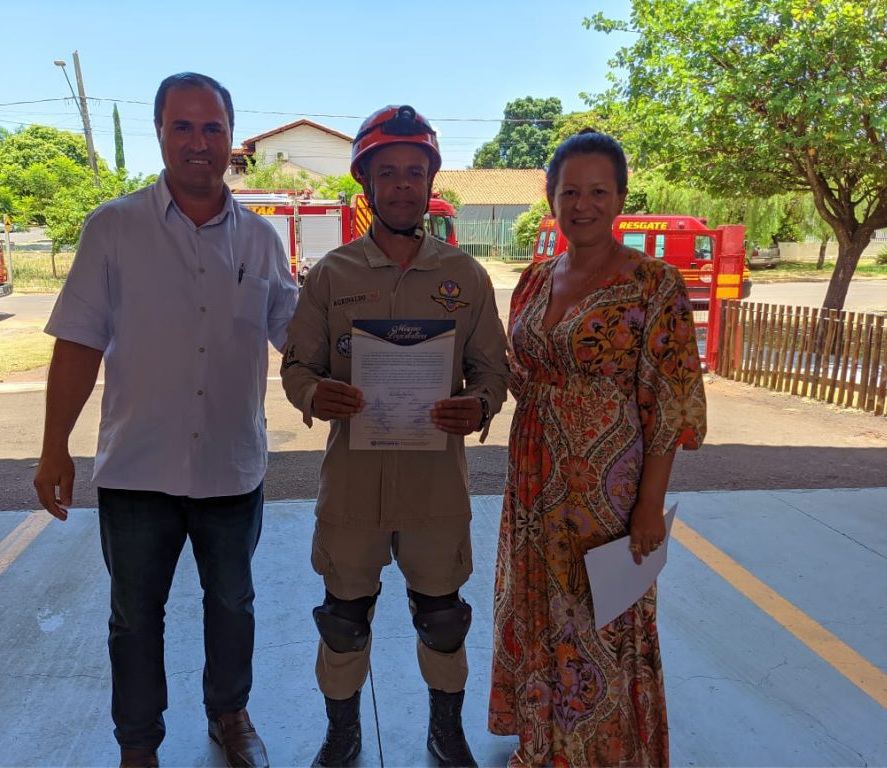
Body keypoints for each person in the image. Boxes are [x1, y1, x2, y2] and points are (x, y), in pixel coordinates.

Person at [33, 72, 297, 768]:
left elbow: (300, 341)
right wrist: (53, 448)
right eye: (183, 126)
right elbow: (78, 345)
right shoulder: (113, 230)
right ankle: (138, 743)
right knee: (133, 618)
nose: (198, 142)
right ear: (159, 133)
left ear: (231, 139)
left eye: (212, 128)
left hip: (231, 467)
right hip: (138, 467)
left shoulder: (263, 243)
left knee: (232, 605)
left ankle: (229, 715)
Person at [280, 105, 510, 768]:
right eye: (389, 173)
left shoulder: (465, 278)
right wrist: (314, 394)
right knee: (343, 620)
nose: (404, 185)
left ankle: (446, 732)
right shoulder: (331, 276)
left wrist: (479, 405)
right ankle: (341, 733)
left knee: (443, 618)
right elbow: (297, 365)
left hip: (436, 485)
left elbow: (490, 370)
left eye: (416, 171)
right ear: (367, 185)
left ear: (430, 180)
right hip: (352, 484)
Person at [488, 130, 707, 766]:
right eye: (569, 191)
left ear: (620, 199)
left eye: (598, 191)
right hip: (531, 482)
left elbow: (669, 404)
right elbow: (514, 369)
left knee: (601, 619)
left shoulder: (654, 284)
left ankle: (604, 749)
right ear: (550, 196)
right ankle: (545, 741)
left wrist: (650, 506)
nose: (582, 204)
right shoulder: (532, 279)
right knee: (534, 608)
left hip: (608, 492)